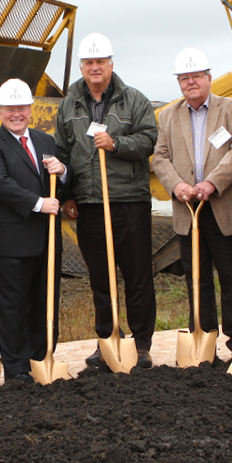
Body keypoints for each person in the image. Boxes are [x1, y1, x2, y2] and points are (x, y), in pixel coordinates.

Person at [54, 32, 157, 369]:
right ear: (82, 67)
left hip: (129, 201)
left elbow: (148, 140)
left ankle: (141, 344)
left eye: (100, 62)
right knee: (100, 276)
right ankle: (107, 339)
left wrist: (116, 144)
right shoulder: (69, 105)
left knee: (137, 274)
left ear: (111, 64)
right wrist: (68, 195)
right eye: (89, 62)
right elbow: (62, 151)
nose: (94, 67)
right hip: (90, 203)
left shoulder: (134, 100)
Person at [152, 48, 232, 360]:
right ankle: (203, 334)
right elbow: (160, 157)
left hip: (224, 206)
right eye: (184, 78)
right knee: (197, 276)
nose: (190, 83)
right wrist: (178, 185)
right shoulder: (168, 115)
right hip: (188, 209)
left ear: (209, 78)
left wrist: (212, 183)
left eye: (196, 76)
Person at [0, 79, 67, 383]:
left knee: (43, 303)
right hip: (11, 241)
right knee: (11, 307)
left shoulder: (46, 142)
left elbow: (60, 182)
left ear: (31, 109)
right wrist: (40, 204)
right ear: (0, 111)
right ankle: (16, 369)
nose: (16, 113)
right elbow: (0, 185)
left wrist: (62, 172)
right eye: (10, 108)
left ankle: (40, 359)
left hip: (45, 240)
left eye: (21, 108)